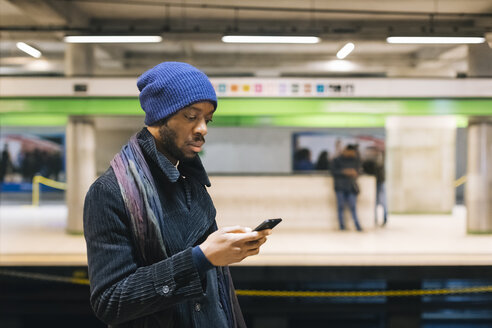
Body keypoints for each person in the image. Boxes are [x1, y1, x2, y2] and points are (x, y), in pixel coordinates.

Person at [83, 62, 272, 328]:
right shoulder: (110, 192)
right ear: (161, 116)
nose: (203, 129)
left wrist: (223, 250)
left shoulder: (190, 181)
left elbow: (219, 293)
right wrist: (201, 258)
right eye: (191, 116)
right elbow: (111, 302)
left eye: (207, 119)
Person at [331, 144, 362, 231]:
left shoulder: (355, 160)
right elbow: (333, 172)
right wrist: (345, 172)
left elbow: (359, 171)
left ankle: (357, 225)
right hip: (340, 186)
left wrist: (355, 173)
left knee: (353, 207)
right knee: (340, 207)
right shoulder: (337, 160)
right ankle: (342, 226)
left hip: (351, 187)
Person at [362, 150, 387, 226]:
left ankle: (382, 218)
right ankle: (376, 219)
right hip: (378, 182)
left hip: (379, 182)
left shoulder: (378, 160)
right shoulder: (376, 160)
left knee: (381, 201)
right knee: (377, 202)